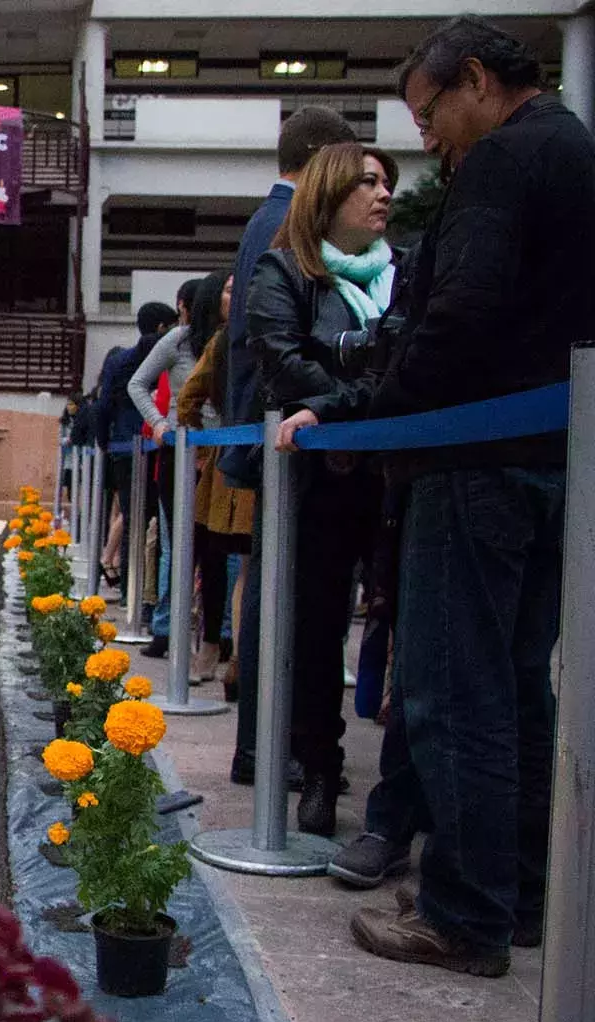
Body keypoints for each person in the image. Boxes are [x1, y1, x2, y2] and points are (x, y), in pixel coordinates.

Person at [295, 17, 594, 975]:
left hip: (475, 464)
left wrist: (380, 409)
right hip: (551, 456)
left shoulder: (504, 163)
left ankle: (464, 914)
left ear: (476, 80)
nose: (426, 141)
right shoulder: (576, 148)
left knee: (455, 692)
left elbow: (460, 317)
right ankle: (516, 898)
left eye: (430, 115)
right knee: (514, 689)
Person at [245, 141, 400, 838]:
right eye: (367, 181)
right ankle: (319, 770)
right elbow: (281, 360)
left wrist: (351, 403)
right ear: (329, 193)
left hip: (405, 478)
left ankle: (404, 800)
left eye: (388, 182)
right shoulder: (287, 271)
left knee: (413, 631)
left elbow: (419, 354)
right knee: (315, 630)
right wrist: (350, 411)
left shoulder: (410, 272)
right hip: (326, 480)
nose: (384, 193)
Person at [222, 105, 359, 787]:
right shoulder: (280, 226)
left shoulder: (268, 220)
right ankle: (267, 747)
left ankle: (267, 744)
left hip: (278, 430)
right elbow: (274, 343)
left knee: (277, 587)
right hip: (285, 434)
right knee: (280, 593)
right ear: (322, 162)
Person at [174, 275, 256, 692]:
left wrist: (205, 452)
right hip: (245, 460)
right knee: (242, 565)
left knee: (233, 564)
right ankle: (235, 658)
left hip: (228, 463)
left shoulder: (224, 341)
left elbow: (188, 397)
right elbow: (186, 399)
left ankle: (221, 654)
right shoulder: (230, 340)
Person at [128, 277, 209, 655]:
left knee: (219, 550)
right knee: (175, 544)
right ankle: (164, 627)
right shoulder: (176, 340)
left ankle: (219, 634)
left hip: (221, 453)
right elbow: (137, 384)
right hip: (178, 450)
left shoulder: (232, 339)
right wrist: (159, 424)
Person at [95, 302, 177, 590]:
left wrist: (104, 441)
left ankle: (131, 592)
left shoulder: (118, 361)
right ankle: (146, 593)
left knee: (132, 519)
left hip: (122, 447)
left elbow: (103, 406)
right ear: (161, 328)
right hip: (155, 444)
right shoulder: (165, 355)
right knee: (156, 521)